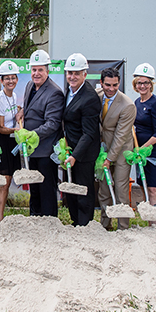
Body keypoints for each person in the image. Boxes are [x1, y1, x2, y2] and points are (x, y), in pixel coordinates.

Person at [22, 49, 65, 217]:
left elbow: (53, 124)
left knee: (47, 189)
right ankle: (35, 218)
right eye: (34, 69)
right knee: (35, 188)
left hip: (45, 151)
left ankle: (49, 221)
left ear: (48, 71)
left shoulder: (54, 92)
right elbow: (31, 111)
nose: (36, 73)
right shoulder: (29, 86)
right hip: (33, 151)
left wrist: (32, 135)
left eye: (40, 70)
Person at [61, 53, 101, 226]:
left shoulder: (89, 98)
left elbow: (89, 133)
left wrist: (75, 156)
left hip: (83, 154)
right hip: (71, 150)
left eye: (77, 73)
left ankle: (84, 225)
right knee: (71, 189)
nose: (72, 76)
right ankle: (75, 221)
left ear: (85, 74)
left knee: (83, 190)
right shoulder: (69, 91)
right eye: (70, 72)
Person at [96, 67, 136, 230]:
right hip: (103, 149)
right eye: (108, 85)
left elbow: (120, 137)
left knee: (120, 189)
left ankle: (123, 227)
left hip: (121, 151)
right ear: (101, 83)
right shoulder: (97, 96)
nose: (111, 89)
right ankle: (105, 224)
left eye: (115, 85)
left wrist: (109, 159)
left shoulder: (127, 105)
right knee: (104, 189)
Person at [131, 63, 156, 223]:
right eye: (140, 82)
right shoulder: (137, 102)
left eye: (146, 83)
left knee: (153, 189)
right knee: (143, 187)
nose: (143, 86)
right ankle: (149, 221)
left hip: (154, 153)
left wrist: (143, 148)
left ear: (151, 84)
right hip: (141, 154)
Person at [0, 60, 24, 222]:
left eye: (13, 78)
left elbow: (14, 109)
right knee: (4, 182)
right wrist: (17, 131)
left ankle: (1, 217)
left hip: (10, 141)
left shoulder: (14, 96)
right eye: (7, 78)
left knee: (8, 180)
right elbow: (1, 128)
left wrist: (20, 112)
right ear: (1, 80)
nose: (11, 81)